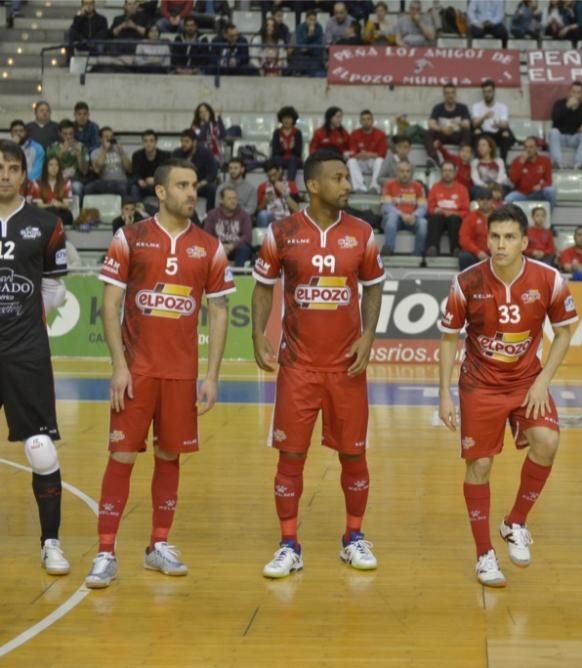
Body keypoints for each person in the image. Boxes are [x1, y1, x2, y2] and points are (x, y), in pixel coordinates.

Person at [85, 158, 235, 589]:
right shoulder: (129, 237)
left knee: (170, 457)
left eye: (194, 185)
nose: (192, 192)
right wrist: (118, 366)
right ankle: (105, 551)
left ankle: (158, 545)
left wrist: (211, 376)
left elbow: (219, 310)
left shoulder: (209, 246)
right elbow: (110, 305)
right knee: (122, 456)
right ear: (161, 192)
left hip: (181, 376)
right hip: (137, 374)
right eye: (182, 185)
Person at [252, 148, 385, 579]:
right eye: (339, 178)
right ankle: (289, 544)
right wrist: (258, 333)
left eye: (347, 178)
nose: (348, 185)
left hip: (346, 367)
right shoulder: (282, 232)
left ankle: (354, 537)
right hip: (299, 367)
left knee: (354, 456)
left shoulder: (363, 233)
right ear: (314, 185)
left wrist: (367, 334)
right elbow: (262, 286)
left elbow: (374, 287)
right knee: (290, 456)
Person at [438, 203, 578, 588]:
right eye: (495, 237)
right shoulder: (466, 282)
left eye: (509, 238)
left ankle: (515, 521)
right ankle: (485, 555)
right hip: (480, 384)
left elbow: (564, 333)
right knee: (480, 467)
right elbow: (449, 339)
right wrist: (445, 394)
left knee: (547, 441)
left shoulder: (548, 279)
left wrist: (543, 381)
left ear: (524, 242)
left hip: (526, 381)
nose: (501, 245)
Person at [0, 139, 72, 578]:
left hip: (26, 353)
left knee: (41, 449)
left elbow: (55, 290)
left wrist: (23, 324)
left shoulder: (45, 223)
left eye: (11, 167)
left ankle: (51, 543)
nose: (3, 174)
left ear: (24, 174)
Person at [380, 160, 427, 257]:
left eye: (407, 171)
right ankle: (389, 249)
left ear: (411, 173)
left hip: (412, 219)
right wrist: (402, 214)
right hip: (396, 218)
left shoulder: (418, 187)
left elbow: (423, 207)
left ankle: (418, 255)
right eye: (402, 171)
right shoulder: (389, 185)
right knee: (391, 217)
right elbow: (386, 206)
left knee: (423, 223)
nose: (405, 174)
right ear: (397, 172)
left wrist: (414, 215)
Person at [426, 161, 470, 257]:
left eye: (450, 171)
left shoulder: (462, 189)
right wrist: (435, 210)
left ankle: (456, 249)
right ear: (441, 172)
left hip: (454, 218)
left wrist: (455, 213)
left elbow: (466, 211)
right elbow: (429, 208)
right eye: (445, 170)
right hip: (439, 218)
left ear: (455, 173)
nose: (447, 173)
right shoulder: (435, 187)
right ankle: (433, 248)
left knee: (454, 219)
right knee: (435, 218)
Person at [548, 81, 582, 171]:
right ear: (568, 92)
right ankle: (557, 163)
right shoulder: (559, 104)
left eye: (578, 92)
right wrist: (567, 106)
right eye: (573, 91)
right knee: (553, 132)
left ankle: (579, 164)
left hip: (574, 138)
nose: (575, 94)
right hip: (561, 137)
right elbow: (554, 119)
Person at [204, 185, 253, 266]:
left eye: (235, 198)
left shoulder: (244, 215)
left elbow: (247, 237)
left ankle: (238, 275)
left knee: (244, 249)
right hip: (218, 246)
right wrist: (220, 246)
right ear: (221, 200)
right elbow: (207, 235)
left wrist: (232, 246)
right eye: (230, 199)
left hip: (236, 247)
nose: (233, 201)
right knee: (208, 248)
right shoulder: (212, 215)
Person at [173, 128, 219, 210]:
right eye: (182, 141)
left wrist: (200, 184)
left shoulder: (205, 153)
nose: (183, 144)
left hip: (199, 185)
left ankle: (209, 217)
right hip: (182, 185)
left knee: (212, 189)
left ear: (194, 142)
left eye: (186, 141)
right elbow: (171, 170)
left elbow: (213, 172)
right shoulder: (177, 153)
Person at [458, 184, 501, 269]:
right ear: (477, 201)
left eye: (488, 199)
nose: (485, 202)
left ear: (492, 201)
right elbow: (464, 239)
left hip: (496, 252)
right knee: (464, 257)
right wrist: (478, 252)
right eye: (482, 199)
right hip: (476, 254)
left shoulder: (500, 217)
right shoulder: (470, 217)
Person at [505, 137, 556, 207]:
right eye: (526, 147)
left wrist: (541, 186)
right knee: (508, 199)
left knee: (550, 191)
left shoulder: (545, 161)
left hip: (538, 193)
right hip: (522, 193)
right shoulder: (517, 161)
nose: (528, 150)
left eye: (531, 147)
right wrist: (521, 163)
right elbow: (513, 181)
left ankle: (548, 216)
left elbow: (549, 181)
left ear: (537, 148)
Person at [426, 85, 473, 162]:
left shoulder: (462, 107)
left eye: (452, 93)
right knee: (428, 132)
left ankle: (462, 158)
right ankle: (434, 157)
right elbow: (431, 123)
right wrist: (441, 129)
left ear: (455, 94)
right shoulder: (438, 108)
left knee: (467, 131)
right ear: (444, 95)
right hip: (442, 134)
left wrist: (457, 123)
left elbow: (467, 123)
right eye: (447, 93)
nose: (450, 95)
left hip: (456, 136)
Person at [472, 79, 514, 161]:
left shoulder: (502, 106)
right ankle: (477, 161)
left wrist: (498, 125)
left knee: (505, 133)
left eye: (489, 91)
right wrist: (484, 117)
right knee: (476, 132)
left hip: (497, 134)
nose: (487, 94)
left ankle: (502, 161)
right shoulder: (477, 106)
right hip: (484, 134)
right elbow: (475, 124)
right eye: (485, 92)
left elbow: (505, 124)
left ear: (494, 91)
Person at [346, 110, 387, 194]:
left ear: (372, 120)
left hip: (373, 160)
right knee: (351, 161)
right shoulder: (354, 134)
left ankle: (375, 187)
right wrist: (360, 155)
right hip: (360, 160)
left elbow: (382, 153)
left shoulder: (380, 134)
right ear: (360, 121)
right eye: (363, 119)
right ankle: (360, 187)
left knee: (380, 161)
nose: (366, 121)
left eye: (368, 119)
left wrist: (369, 154)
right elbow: (352, 153)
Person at [28, 155, 75, 228]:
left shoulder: (66, 183)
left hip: (61, 213)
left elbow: (67, 205)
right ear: (45, 167)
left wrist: (59, 205)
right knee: (51, 211)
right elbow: (39, 206)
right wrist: (51, 205)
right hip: (44, 213)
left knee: (67, 215)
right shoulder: (37, 183)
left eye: (56, 165)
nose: (54, 168)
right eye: (51, 165)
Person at [86, 126, 132, 197]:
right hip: (103, 182)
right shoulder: (95, 152)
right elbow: (97, 170)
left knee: (122, 188)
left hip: (120, 181)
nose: (109, 139)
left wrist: (122, 153)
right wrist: (105, 151)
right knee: (88, 188)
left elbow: (130, 169)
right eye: (106, 137)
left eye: (111, 136)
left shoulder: (122, 150)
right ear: (100, 139)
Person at [131, 130, 170, 208]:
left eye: (151, 141)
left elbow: (168, 174)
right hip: (144, 187)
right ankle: (137, 210)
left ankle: (164, 211)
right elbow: (135, 173)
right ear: (143, 142)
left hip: (159, 185)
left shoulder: (165, 156)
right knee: (134, 188)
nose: (148, 144)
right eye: (145, 141)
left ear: (155, 142)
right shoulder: (137, 155)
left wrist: (155, 179)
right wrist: (139, 180)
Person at [255, 160, 300, 227]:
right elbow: (258, 211)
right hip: (271, 218)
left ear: (280, 170)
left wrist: (284, 193)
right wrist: (265, 201)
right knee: (263, 215)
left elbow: (297, 209)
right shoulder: (262, 187)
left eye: (274, 175)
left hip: (287, 218)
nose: (272, 178)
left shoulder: (291, 185)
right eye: (269, 176)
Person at [270, 106, 303, 183]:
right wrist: (283, 149)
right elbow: (274, 152)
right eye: (285, 118)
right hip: (281, 160)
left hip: (294, 160)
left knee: (293, 159)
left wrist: (292, 148)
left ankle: (290, 183)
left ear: (293, 120)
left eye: (289, 118)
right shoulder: (277, 132)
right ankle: (278, 180)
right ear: (281, 119)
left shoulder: (297, 132)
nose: (287, 121)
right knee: (277, 159)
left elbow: (299, 152)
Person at [470, 136, 508, 200]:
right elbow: (475, 178)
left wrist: (495, 186)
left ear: (490, 148)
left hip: (497, 186)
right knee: (475, 189)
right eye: (479, 145)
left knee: (506, 188)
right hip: (481, 187)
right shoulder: (475, 162)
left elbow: (502, 176)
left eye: (483, 145)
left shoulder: (499, 161)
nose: (480, 147)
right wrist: (487, 187)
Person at [292, 10, 326, 75]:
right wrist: (309, 36)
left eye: (314, 20)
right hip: (302, 54)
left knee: (319, 51)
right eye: (310, 20)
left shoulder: (319, 27)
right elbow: (299, 43)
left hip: (314, 54)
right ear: (306, 19)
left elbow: (318, 43)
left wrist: (308, 47)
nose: (312, 22)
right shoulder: (300, 28)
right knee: (298, 53)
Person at [192, 102, 225, 167]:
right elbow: (201, 138)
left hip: (216, 155)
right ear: (198, 114)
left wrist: (219, 118)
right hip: (202, 156)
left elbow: (223, 135)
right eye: (201, 112)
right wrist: (206, 123)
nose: (203, 114)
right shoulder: (195, 126)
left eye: (206, 111)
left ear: (209, 112)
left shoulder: (214, 124)